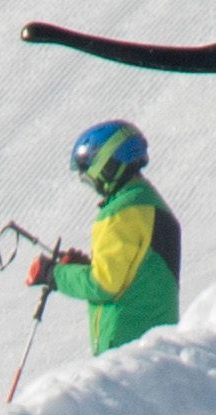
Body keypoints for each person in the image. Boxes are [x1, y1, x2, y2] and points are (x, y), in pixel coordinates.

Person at [39, 119, 183, 356]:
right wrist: (84, 268)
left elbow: (103, 284)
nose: (90, 182)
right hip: (153, 346)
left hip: (128, 346)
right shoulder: (147, 203)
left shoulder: (121, 212)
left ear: (108, 165)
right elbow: (133, 276)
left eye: (88, 173)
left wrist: (54, 274)